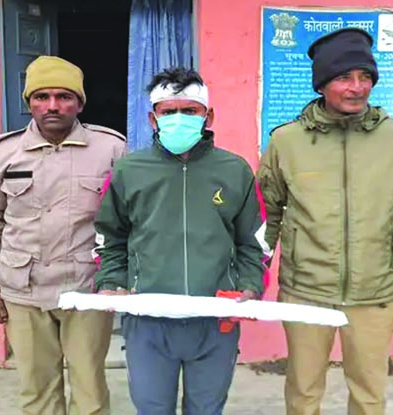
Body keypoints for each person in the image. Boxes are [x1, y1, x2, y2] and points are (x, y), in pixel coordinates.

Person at [257, 28, 393, 415]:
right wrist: (254, 277)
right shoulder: (286, 142)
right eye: (343, 77)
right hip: (306, 291)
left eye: (365, 76)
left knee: (370, 394)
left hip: (374, 291)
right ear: (321, 84)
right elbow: (265, 216)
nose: (357, 87)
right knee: (303, 393)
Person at [94, 67, 265, 415]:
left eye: (190, 111)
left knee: (207, 409)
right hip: (147, 318)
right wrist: (112, 282)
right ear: (153, 118)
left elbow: (254, 241)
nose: (179, 119)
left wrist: (249, 286)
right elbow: (110, 237)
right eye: (168, 111)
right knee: (152, 408)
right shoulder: (129, 171)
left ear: (208, 116)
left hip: (215, 318)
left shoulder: (235, 170)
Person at [0, 56, 126, 415]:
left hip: (86, 287)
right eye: (41, 97)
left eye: (64, 96)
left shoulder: (111, 149)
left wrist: (119, 281)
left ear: (80, 103)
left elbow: (126, 222)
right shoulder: (2, 153)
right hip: (22, 288)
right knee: (37, 391)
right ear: (29, 103)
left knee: (90, 391)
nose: (52, 105)